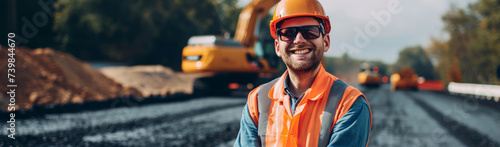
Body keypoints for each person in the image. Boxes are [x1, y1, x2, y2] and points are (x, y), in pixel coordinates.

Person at [234, 0, 372, 146]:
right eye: (288, 33)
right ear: (277, 47)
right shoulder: (257, 101)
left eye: (310, 32)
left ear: (325, 42)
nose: (299, 40)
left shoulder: (349, 103)